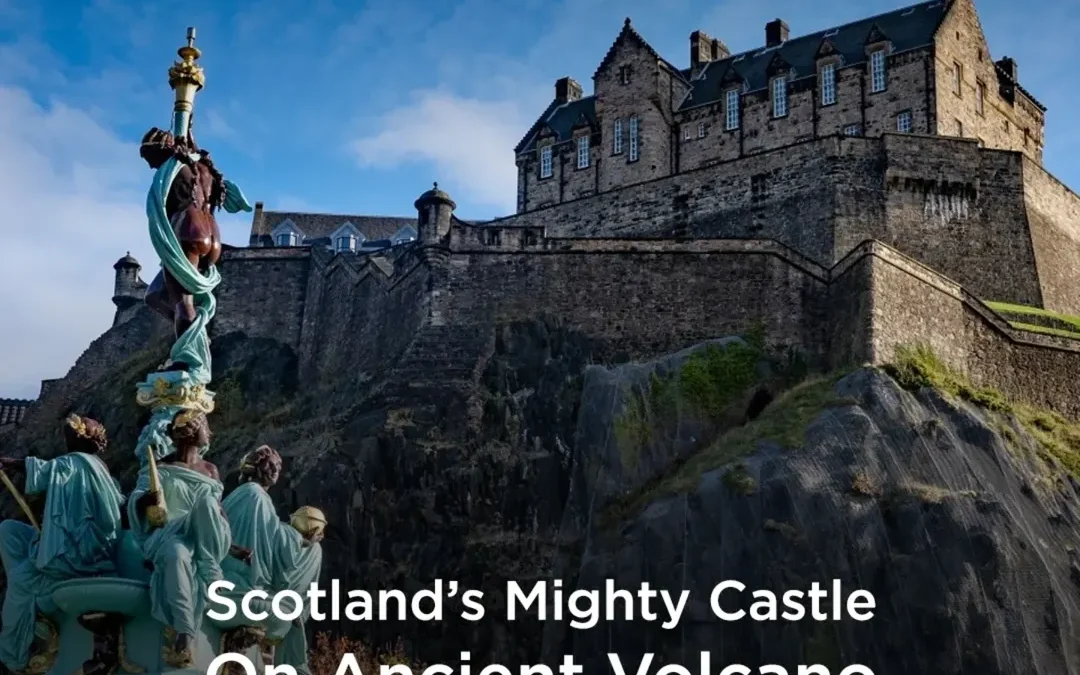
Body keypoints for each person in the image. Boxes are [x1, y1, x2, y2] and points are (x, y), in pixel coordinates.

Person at [0, 414, 124, 674]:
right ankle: (31, 586)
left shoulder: (75, 462)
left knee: (21, 580)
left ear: (81, 439)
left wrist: (9, 462)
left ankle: (14, 657)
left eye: (73, 432)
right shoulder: (98, 468)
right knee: (10, 531)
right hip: (80, 545)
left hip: (76, 554)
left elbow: (45, 472)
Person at [127, 408, 249, 668]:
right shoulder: (161, 467)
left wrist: (232, 548)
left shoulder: (210, 470)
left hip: (205, 537)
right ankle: (184, 631)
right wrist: (147, 500)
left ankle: (208, 566)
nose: (210, 433)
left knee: (206, 503)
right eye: (205, 426)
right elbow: (136, 500)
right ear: (191, 432)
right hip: (170, 534)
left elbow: (218, 513)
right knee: (176, 555)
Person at [222, 445, 324, 675]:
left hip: (235, 578)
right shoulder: (255, 495)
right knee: (313, 552)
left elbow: (270, 534)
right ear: (263, 470)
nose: (277, 472)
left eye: (277, 467)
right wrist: (305, 541)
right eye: (274, 467)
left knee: (313, 551)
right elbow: (271, 538)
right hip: (241, 582)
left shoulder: (247, 495)